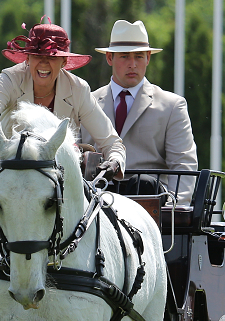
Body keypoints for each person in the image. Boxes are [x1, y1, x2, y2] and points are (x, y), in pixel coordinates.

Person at [0, 20, 125, 190]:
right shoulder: (10, 79)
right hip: (5, 159)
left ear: (64, 62)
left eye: (52, 57)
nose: (43, 63)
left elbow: (110, 140)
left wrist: (115, 161)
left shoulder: (78, 89)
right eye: (37, 56)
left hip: (59, 163)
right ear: (27, 59)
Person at [81, 20, 199, 203]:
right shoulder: (86, 102)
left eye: (139, 57)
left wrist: (175, 210)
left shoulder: (172, 106)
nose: (132, 64)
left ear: (148, 58)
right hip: (95, 203)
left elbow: (183, 164)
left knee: (143, 183)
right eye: (124, 56)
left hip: (149, 202)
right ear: (109, 58)